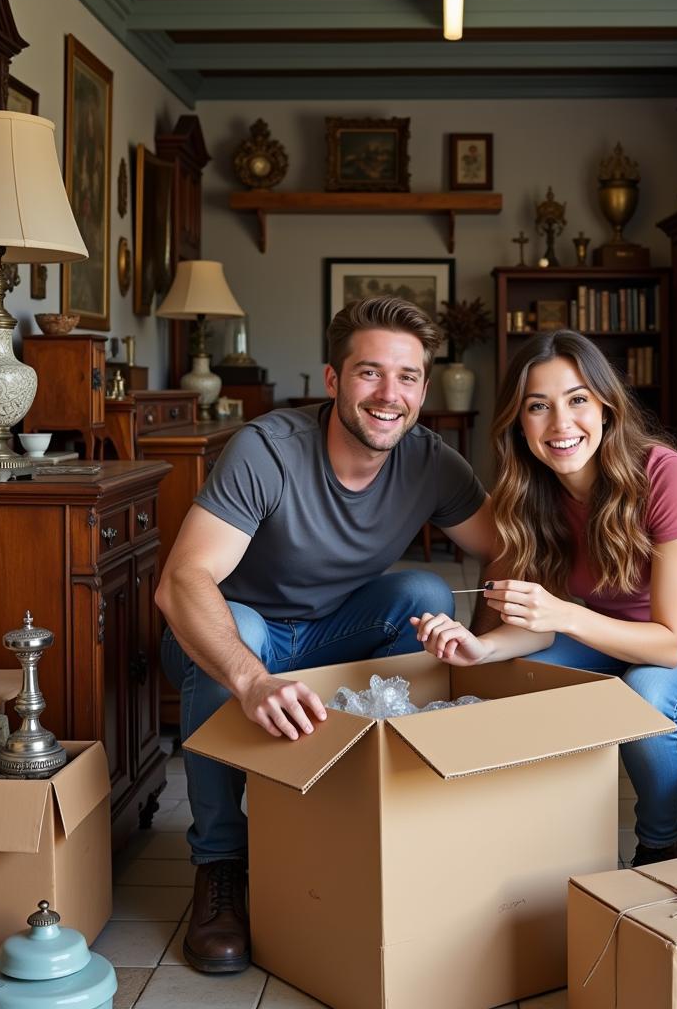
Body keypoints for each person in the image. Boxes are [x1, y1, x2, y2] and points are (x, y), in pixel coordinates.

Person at [156, 296, 496, 974]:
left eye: (406, 378)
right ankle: (220, 864)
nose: (388, 395)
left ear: (424, 389)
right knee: (245, 625)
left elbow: (507, 549)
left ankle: (372, 813)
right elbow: (181, 582)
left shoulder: (432, 461)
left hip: (331, 632)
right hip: (230, 640)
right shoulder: (267, 450)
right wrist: (250, 678)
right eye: (369, 373)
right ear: (334, 380)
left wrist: (486, 647)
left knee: (425, 594)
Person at [412, 330, 677, 868]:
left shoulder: (662, 473)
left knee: (648, 694)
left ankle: (662, 847)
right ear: (518, 424)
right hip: (595, 634)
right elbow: (539, 626)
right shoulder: (525, 493)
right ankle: (546, 842)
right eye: (538, 407)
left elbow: (669, 645)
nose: (561, 425)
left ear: (608, 407)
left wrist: (566, 614)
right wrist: (480, 648)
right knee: (517, 676)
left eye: (577, 401)